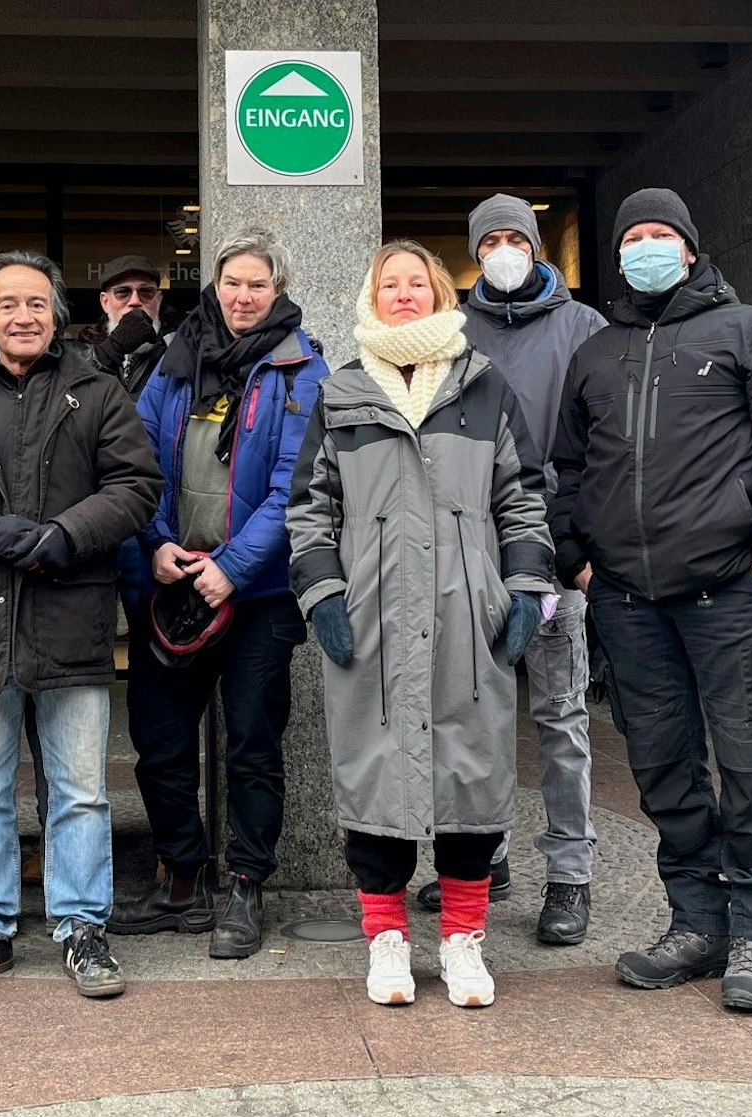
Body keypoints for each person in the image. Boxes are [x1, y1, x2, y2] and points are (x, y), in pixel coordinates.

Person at [549, 188, 752, 1012]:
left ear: (690, 247)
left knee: (748, 769)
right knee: (664, 772)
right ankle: (698, 922)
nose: (644, 246)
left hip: (730, 597)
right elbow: (567, 467)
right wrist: (577, 561)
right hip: (628, 605)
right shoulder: (596, 354)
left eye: (659, 234)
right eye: (631, 236)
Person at [287, 240, 556, 1009]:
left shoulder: (483, 385)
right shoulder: (341, 393)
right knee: (376, 775)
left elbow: (523, 496)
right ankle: (387, 940)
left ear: (440, 294)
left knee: (471, 776)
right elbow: (309, 509)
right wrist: (324, 594)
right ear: (372, 298)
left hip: (467, 619)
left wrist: (524, 589)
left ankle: (464, 939)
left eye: (417, 283)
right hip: (372, 621)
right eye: (390, 284)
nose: (404, 294)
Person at [0, 250, 161, 1000]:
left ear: (57, 316)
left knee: (80, 789)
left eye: (37, 304)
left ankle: (82, 927)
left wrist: (67, 534)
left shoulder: (97, 393)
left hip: (69, 613)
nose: (23, 316)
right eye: (8, 304)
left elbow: (137, 484)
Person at [107, 229, 330, 959]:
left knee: (254, 745)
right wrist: (156, 543)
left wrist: (232, 566)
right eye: (232, 282)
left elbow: (295, 486)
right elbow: (137, 461)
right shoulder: (177, 359)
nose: (243, 296)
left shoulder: (301, 368)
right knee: (159, 741)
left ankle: (245, 884)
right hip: (172, 581)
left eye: (257, 284)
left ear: (278, 290)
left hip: (258, 594)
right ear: (214, 285)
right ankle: (181, 879)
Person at [411, 194, 610, 945]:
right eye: (489, 240)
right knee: (468, 712)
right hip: (468, 556)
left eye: (515, 238)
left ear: (536, 248)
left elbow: (604, 443)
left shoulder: (583, 328)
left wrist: (578, 542)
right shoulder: (450, 330)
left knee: (560, 715)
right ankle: (482, 856)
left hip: (552, 554)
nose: (503, 251)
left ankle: (570, 874)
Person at [78, 254, 172, 396]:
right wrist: (112, 349)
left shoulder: (176, 353)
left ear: (158, 301)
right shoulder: (80, 351)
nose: (135, 301)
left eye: (146, 292)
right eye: (123, 292)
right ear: (105, 302)